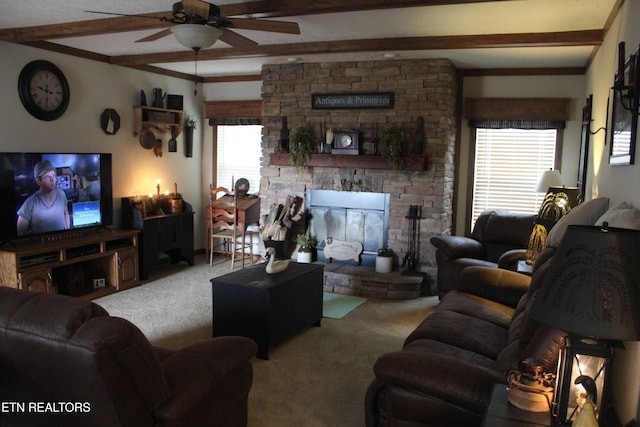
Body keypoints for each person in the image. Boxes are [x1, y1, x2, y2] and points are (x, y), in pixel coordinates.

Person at [16, 160, 70, 236]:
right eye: (48, 177)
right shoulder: (30, 203)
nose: (53, 180)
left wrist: (67, 231)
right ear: (38, 181)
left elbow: (65, 213)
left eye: (54, 176)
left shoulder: (61, 194)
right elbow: (20, 232)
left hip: (61, 242)